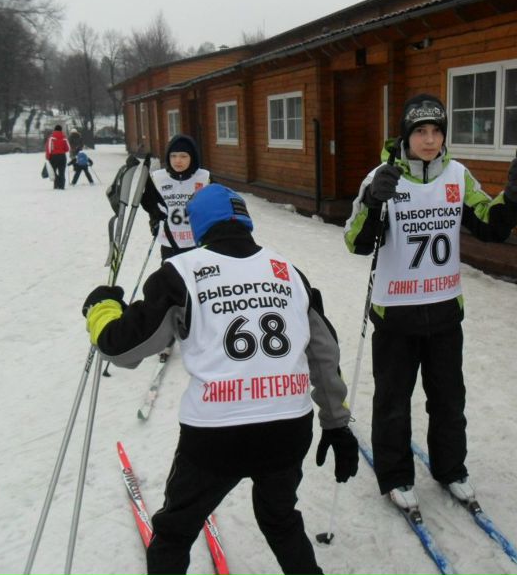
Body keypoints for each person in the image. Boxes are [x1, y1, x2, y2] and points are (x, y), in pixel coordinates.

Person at [82, 183, 359, 575]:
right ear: (245, 219)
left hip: (216, 436)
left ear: (197, 227)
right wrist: (336, 424)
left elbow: (121, 347)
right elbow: (325, 352)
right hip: (287, 427)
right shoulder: (289, 272)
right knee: (280, 520)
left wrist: (102, 307)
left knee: (175, 532)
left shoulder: (181, 272)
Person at [342, 93, 517, 510]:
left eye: (436, 131)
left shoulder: (458, 176)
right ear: (405, 136)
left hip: (445, 310)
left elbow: (488, 225)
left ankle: (451, 468)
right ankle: (396, 475)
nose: (429, 140)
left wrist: (513, 196)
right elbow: (356, 242)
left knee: (449, 398)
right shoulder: (382, 177)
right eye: (420, 132)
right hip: (395, 314)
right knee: (393, 401)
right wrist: (375, 201)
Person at [141, 134, 210, 262]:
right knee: (171, 279)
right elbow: (150, 204)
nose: (178, 160)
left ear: (192, 157)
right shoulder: (158, 178)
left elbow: (217, 205)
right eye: (173, 156)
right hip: (169, 241)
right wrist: (154, 221)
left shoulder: (205, 177)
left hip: (196, 242)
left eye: (183, 156)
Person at [45, 124, 70, 190]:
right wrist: (62, 150)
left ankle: (56, 185)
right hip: (62, 157)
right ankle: (62, 186)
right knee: (62, 172)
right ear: (61, 130)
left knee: (53, 172)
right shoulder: (64, 137)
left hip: (53, 157)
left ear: (54, 130)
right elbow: (68, 148)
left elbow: (49, 148)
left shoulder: (51, 137)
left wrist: (47, 157)